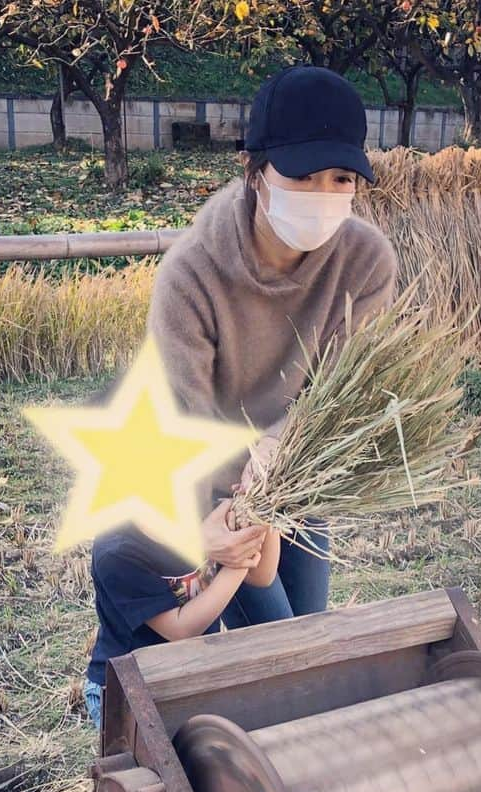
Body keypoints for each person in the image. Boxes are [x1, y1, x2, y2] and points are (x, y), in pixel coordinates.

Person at [148, 64, 398, 629]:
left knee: (306, 633)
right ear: (253, 171)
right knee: (268, 643)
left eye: (341, 178)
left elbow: (341, 388)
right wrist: (215, 524)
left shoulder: (366, 261)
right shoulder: (191, 277)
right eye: (303, 176)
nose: (324, 195)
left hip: (298, 475)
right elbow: (184, 418)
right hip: (216, 492)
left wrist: (279, 452)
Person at [83, 501, 279, 729]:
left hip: (186, 673)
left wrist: (265, 515)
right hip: (129, 690)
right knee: (157, 760)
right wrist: (238, 560)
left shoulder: (202, 510)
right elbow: (182, 629)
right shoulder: (117, 551)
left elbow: (262, 576)